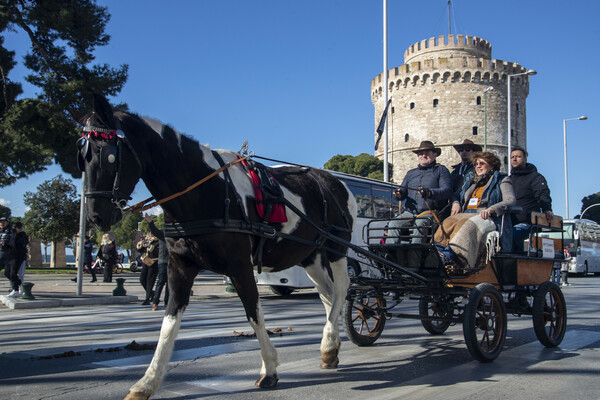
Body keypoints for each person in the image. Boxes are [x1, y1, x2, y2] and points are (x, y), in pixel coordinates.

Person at [434, 151, 516, 268]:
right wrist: (456, 203)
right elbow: (455, 195)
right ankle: (438, 250)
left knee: (466, 224)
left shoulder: (502, 180)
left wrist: (491, 209)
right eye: (476, 163)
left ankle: (455, 255)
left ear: (492, 165)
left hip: (488, 217)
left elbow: (510, 200)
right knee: (448, 222)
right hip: (467, 213)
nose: (477, 166)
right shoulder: (471, 182)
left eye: (481, 163)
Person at [388, 140, 452, 243]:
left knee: (420, 224)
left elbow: (447, 191)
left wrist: (430, 193)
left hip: (430, 213)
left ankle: (415, 255)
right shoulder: (411, 173)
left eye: (427, 153)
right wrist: (399, 194)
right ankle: (392, 253)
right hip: (410, 213)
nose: (423, 155)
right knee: (393, 224)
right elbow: (403, 191)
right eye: (420, 153)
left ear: (434, 154)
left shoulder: (441, 170)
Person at [509, 147, 554, 252]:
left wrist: (547, 209)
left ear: (525, 159)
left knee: (508, 238)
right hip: (509, 222)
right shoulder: (509, 179)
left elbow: (543, 194)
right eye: (512, 157)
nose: (515, 159)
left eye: (518, 156)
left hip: (527, 222)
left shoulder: (536, 178)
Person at [144, 214, 169, 311]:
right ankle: (155, 302)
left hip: (173, 261)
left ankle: (167, 302)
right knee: (161, 282)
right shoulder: (162, 233)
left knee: (169, 284)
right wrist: (150, 222)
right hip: (163, 261)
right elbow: (154, 231)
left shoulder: (175, 234)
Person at [137, 231, 159, 306]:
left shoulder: (158, 241)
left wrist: (150, 246)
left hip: (153, 262)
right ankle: (152, 293)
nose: (150, 233)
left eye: (151, 232)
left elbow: (158, 252)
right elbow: (140, 250)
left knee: (150, 280)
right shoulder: (146, 240)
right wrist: (141, 245)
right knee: (142, 279)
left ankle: (147, 298)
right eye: (149, 232)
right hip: (145, 261)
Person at [7, 222, 28, 297]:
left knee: (14, 273)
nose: (13, 229)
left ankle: (15, 290)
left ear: (19, 228)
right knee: (7, 273)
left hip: (18, 257)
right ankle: (20, 284)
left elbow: (20, 243)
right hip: (11, 256)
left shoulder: (23, 235)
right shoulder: (12, 234)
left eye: (15, 227)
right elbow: (10, 244)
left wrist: (14, 235)